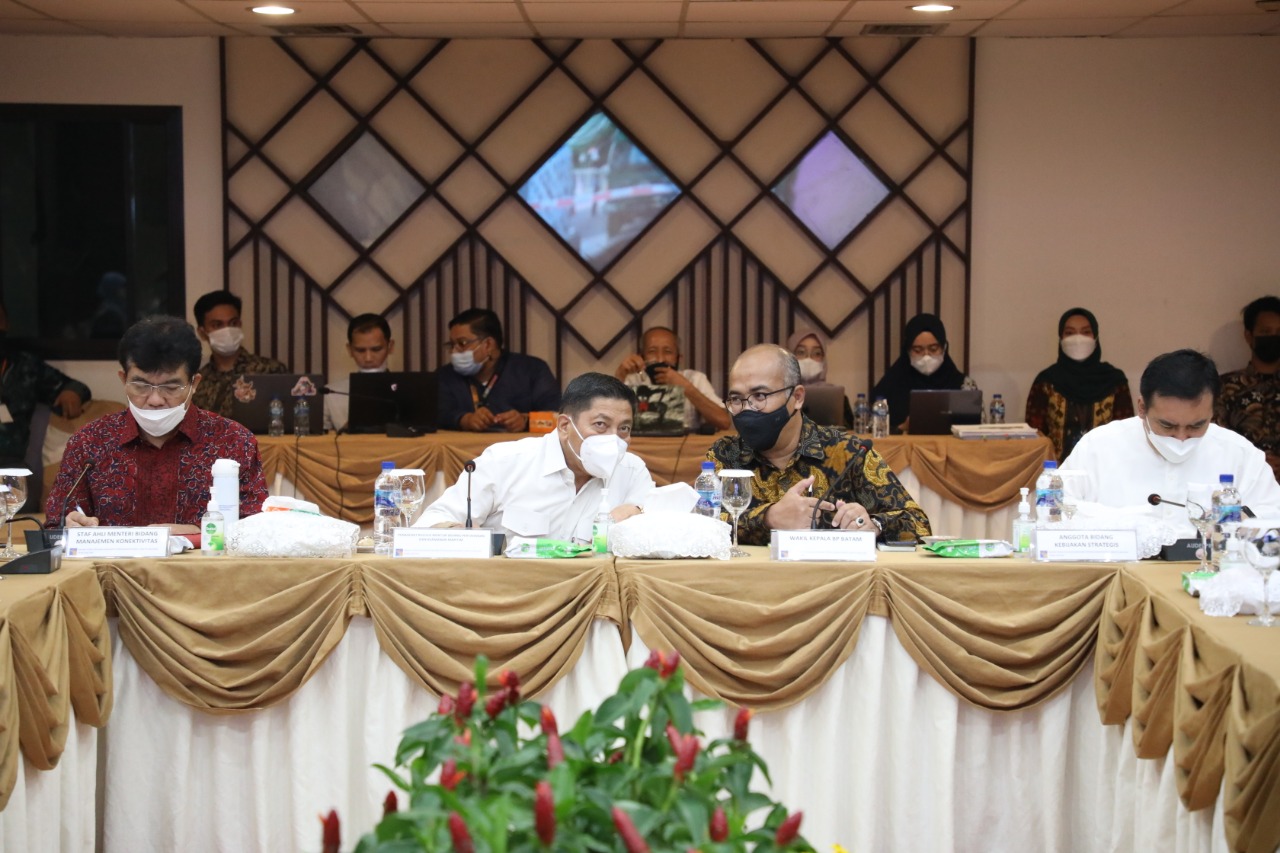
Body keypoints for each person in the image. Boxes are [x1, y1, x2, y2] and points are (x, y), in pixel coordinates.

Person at [44, 315, 269, 533]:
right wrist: (68, 527)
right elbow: (54, 526)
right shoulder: (89, 442)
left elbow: (258, 530)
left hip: (201, 561)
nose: (155, 400)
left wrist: (198, 534)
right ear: (123, 379)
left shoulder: (233, 442)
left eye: (170, 388)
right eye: (141, 386)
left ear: (194, 384)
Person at [705, 344, 930, 546]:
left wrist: (874, 525)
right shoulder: (725, 454)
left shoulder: (848, 452)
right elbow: (701, 524)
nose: (747, 408)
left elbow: (918, 523)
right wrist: (768, 518)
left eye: (760, 396)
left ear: (797, 397)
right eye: (736, 399)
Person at [415, 372, 653, 541]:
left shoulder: (632, 471)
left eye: (624, 428)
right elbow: (430, 522)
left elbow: (659, 531)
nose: (614, 438)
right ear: (564, 426)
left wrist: (641, 514)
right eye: (601, 424)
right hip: (511, 590)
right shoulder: (504, 462)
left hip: (592, 592)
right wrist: (458, 534)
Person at [1063, 349, 1280, 530]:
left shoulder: (1240, 455)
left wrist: (1240, 523)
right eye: (1167, 426)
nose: (1181, 437)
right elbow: (1056, 509)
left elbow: (1273, 516)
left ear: (1213, 412)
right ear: (1142, 408)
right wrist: (1130, 521)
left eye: (1196, 425)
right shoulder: (1098, 447)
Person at [1025, 308, 1134, 460]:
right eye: (1069, 333)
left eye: (1086, 332)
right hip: (1056, 471)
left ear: (1095, 337)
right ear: (1060, 338)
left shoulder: (1115, 381)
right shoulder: (1046, 382)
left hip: (1104, 470)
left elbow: (1126, 436)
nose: (1078, 338)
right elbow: (1033, 438)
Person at [0, 301, 92, 473]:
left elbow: (77, 387)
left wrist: (72, 392)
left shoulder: (25, 366)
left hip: (10, 467)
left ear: (6, 324)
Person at [437, 308, 560, 432]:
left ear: (488, 344)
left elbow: (558, 416)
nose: (454, 351)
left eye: (462, 343)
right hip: (464, 445)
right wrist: (464, 420)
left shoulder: (532, 370)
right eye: (452, 345)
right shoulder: (444, 376)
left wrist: (526, 420)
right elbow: (435, 415)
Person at [871, 313, 978, 433]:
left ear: (944, 348)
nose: (926, 356)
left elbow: (979, 431)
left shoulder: (964, 386)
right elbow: (870, 432)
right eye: (918, 350)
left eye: (933, 349)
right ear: (907, 351)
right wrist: (902, 428)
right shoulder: (890, 386)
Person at [190, 291, 287, 418]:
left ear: (240, 325)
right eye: (217, 325)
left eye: (233, 323)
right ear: (202, 333)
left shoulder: (270, 371)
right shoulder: (197, 382)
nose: (227, 330)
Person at [614, 326, 730, 432]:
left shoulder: (695, 379)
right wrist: (620, 375)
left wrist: (686, 388)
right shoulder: (632, 380)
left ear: (679, 358)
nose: (660, 359)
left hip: (686, 446)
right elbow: (608, 420)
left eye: (668, 352)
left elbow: (724, 422)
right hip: (641, 446)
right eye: (652, 351)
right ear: (641, 357)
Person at [1215, 296, 1280, 480]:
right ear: (1249, 336)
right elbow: (1214, 442)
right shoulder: (1225, 387)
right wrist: (1257, 462)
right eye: (1266, 332)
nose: (1273, 337)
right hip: (1241, 485)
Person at [324, 313, 395, 433]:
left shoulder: (409, 390)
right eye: (360, 350)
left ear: (390, 347)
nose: (368, 358)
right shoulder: (331, 393)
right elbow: (318, 439)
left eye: (376, 349)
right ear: (350, 350)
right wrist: (346, 430)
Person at [785, 327, 852, 427]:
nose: (809, 359)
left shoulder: (837, 399)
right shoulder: (777, 394)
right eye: (801, 352)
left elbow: (850, 431)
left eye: (817, 353)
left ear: (823, 359)